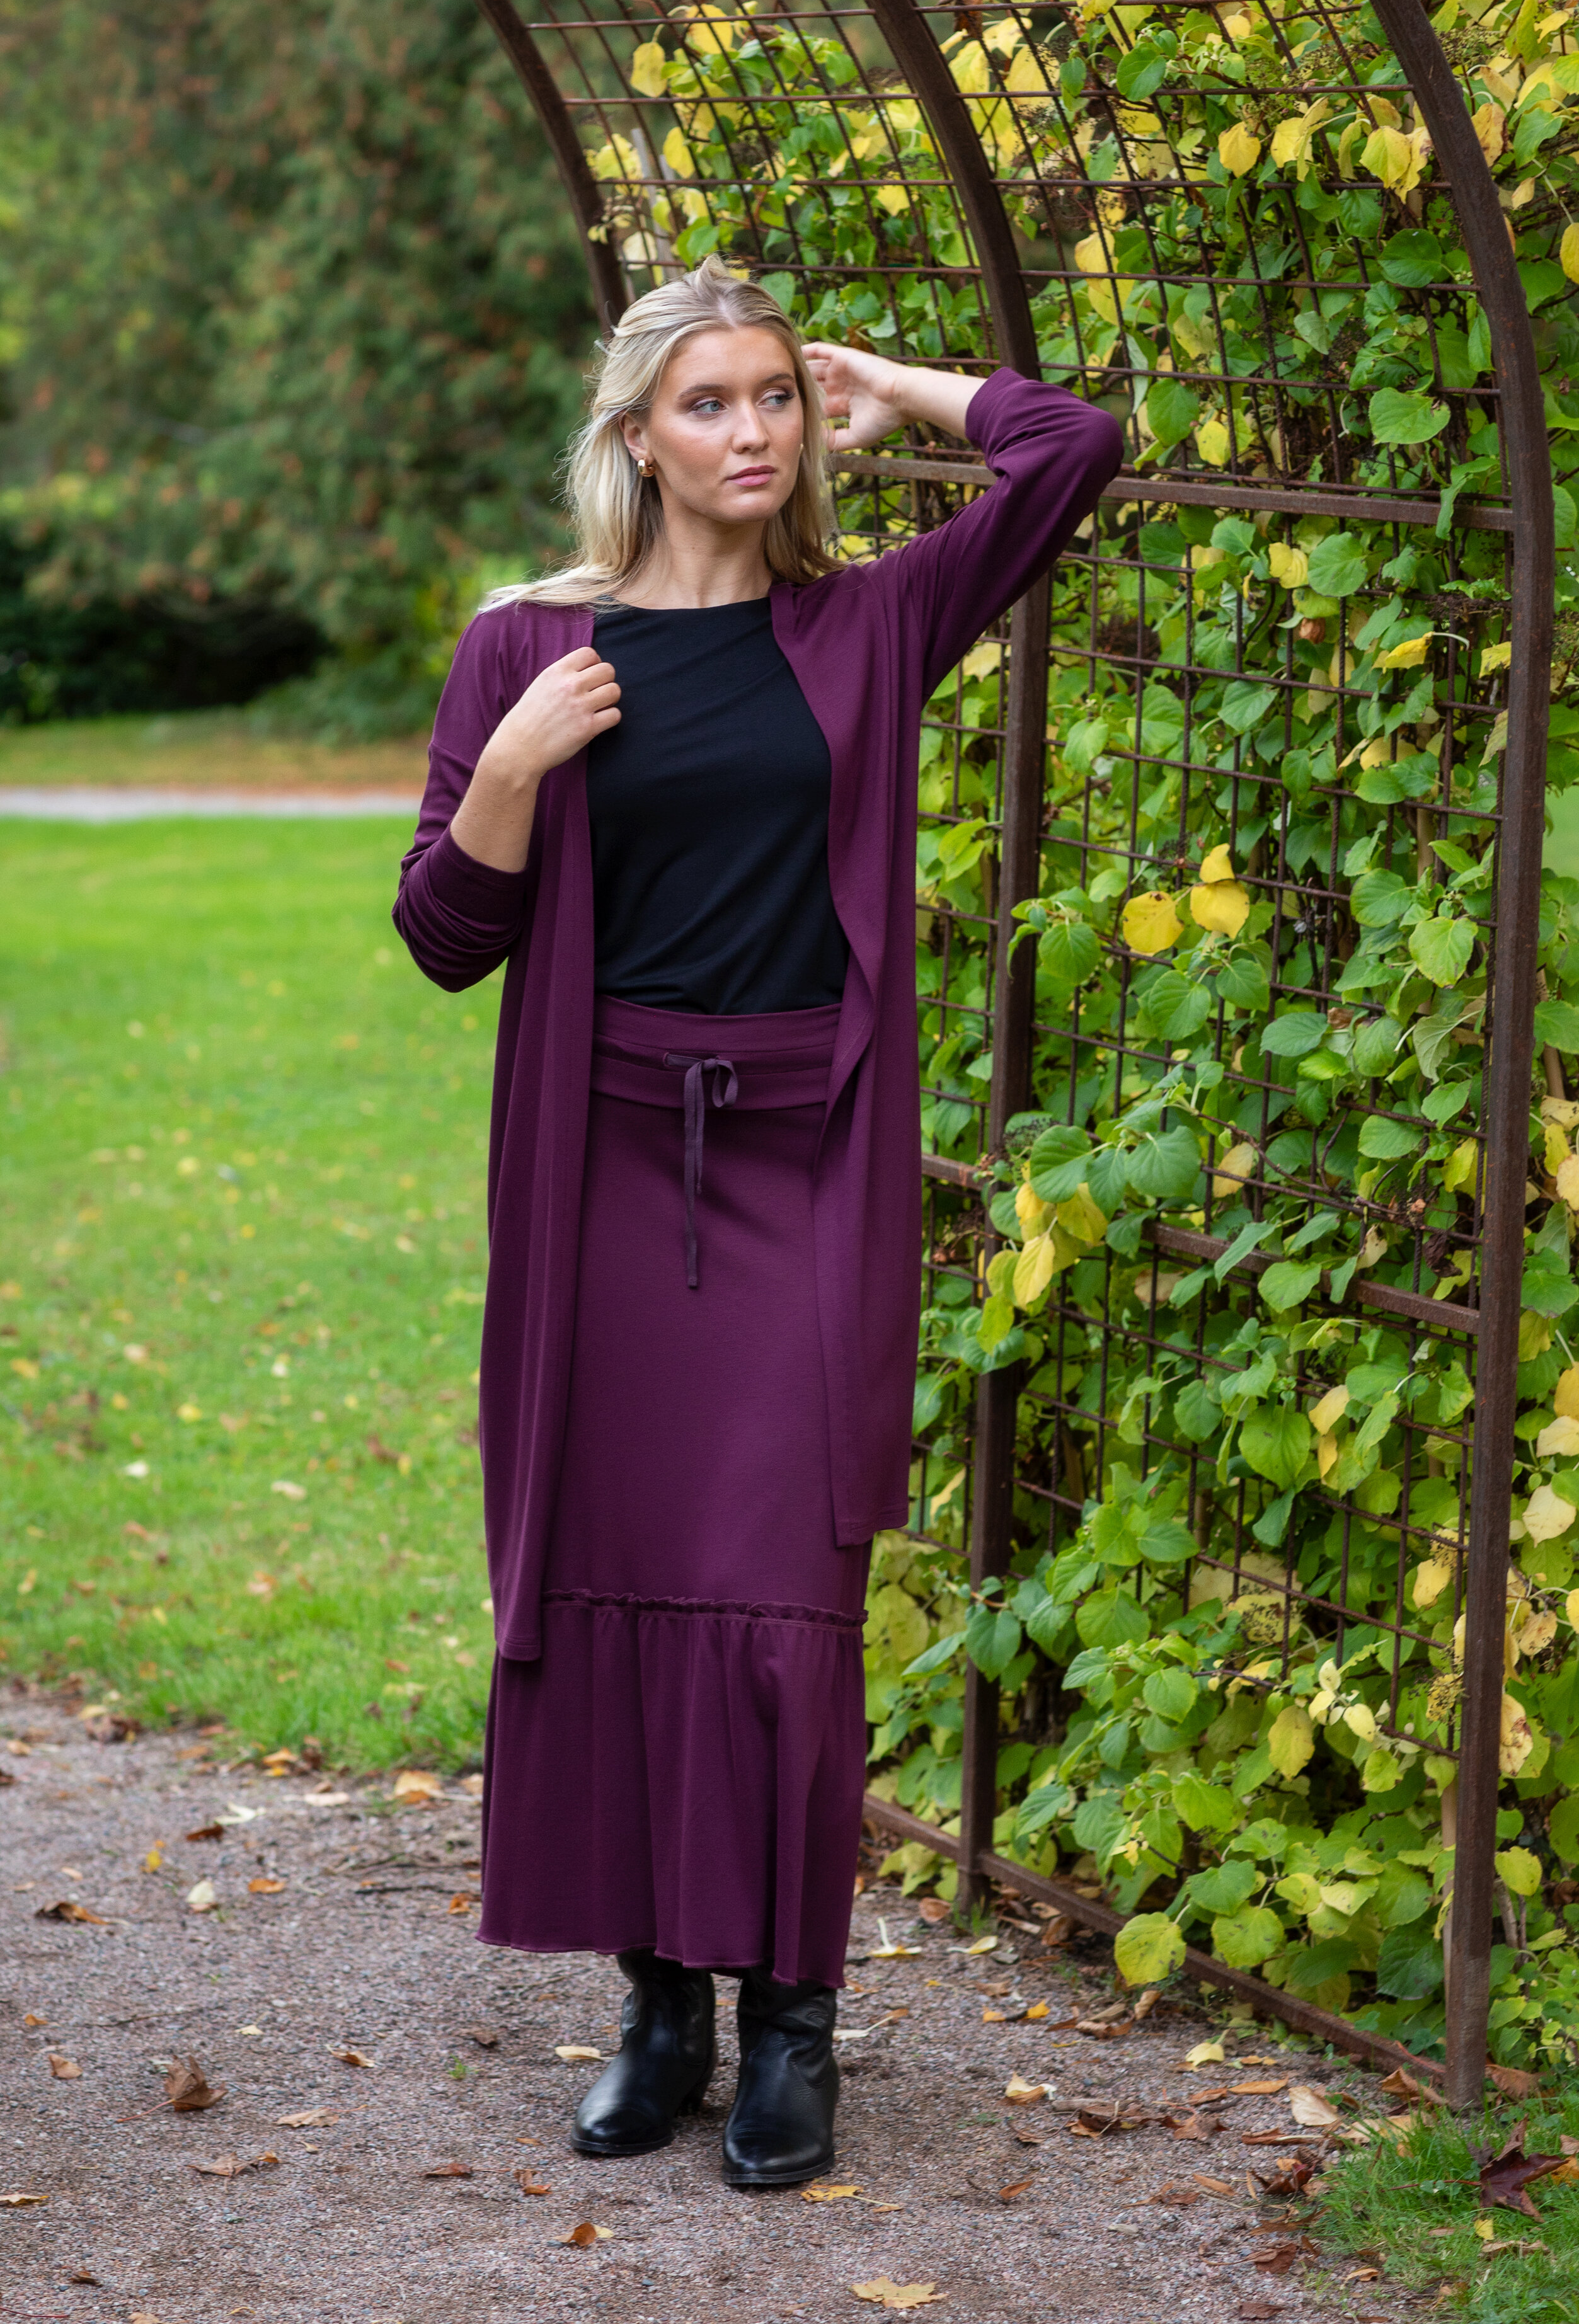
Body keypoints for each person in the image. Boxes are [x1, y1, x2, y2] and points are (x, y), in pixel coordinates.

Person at [393, 254, 1123, 2189]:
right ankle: (662, 2011)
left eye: (774, 397)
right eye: (707, 402)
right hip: (607, 1177)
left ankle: (792, 2020)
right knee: (616, 1583)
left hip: (804, 1169)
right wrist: (514, 770)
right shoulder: (526, 647)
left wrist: (900, 379)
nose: (751, 432)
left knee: (789, 1597)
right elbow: (444, 939)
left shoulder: (865, 621)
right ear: (636, 437)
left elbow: (1073, 449)